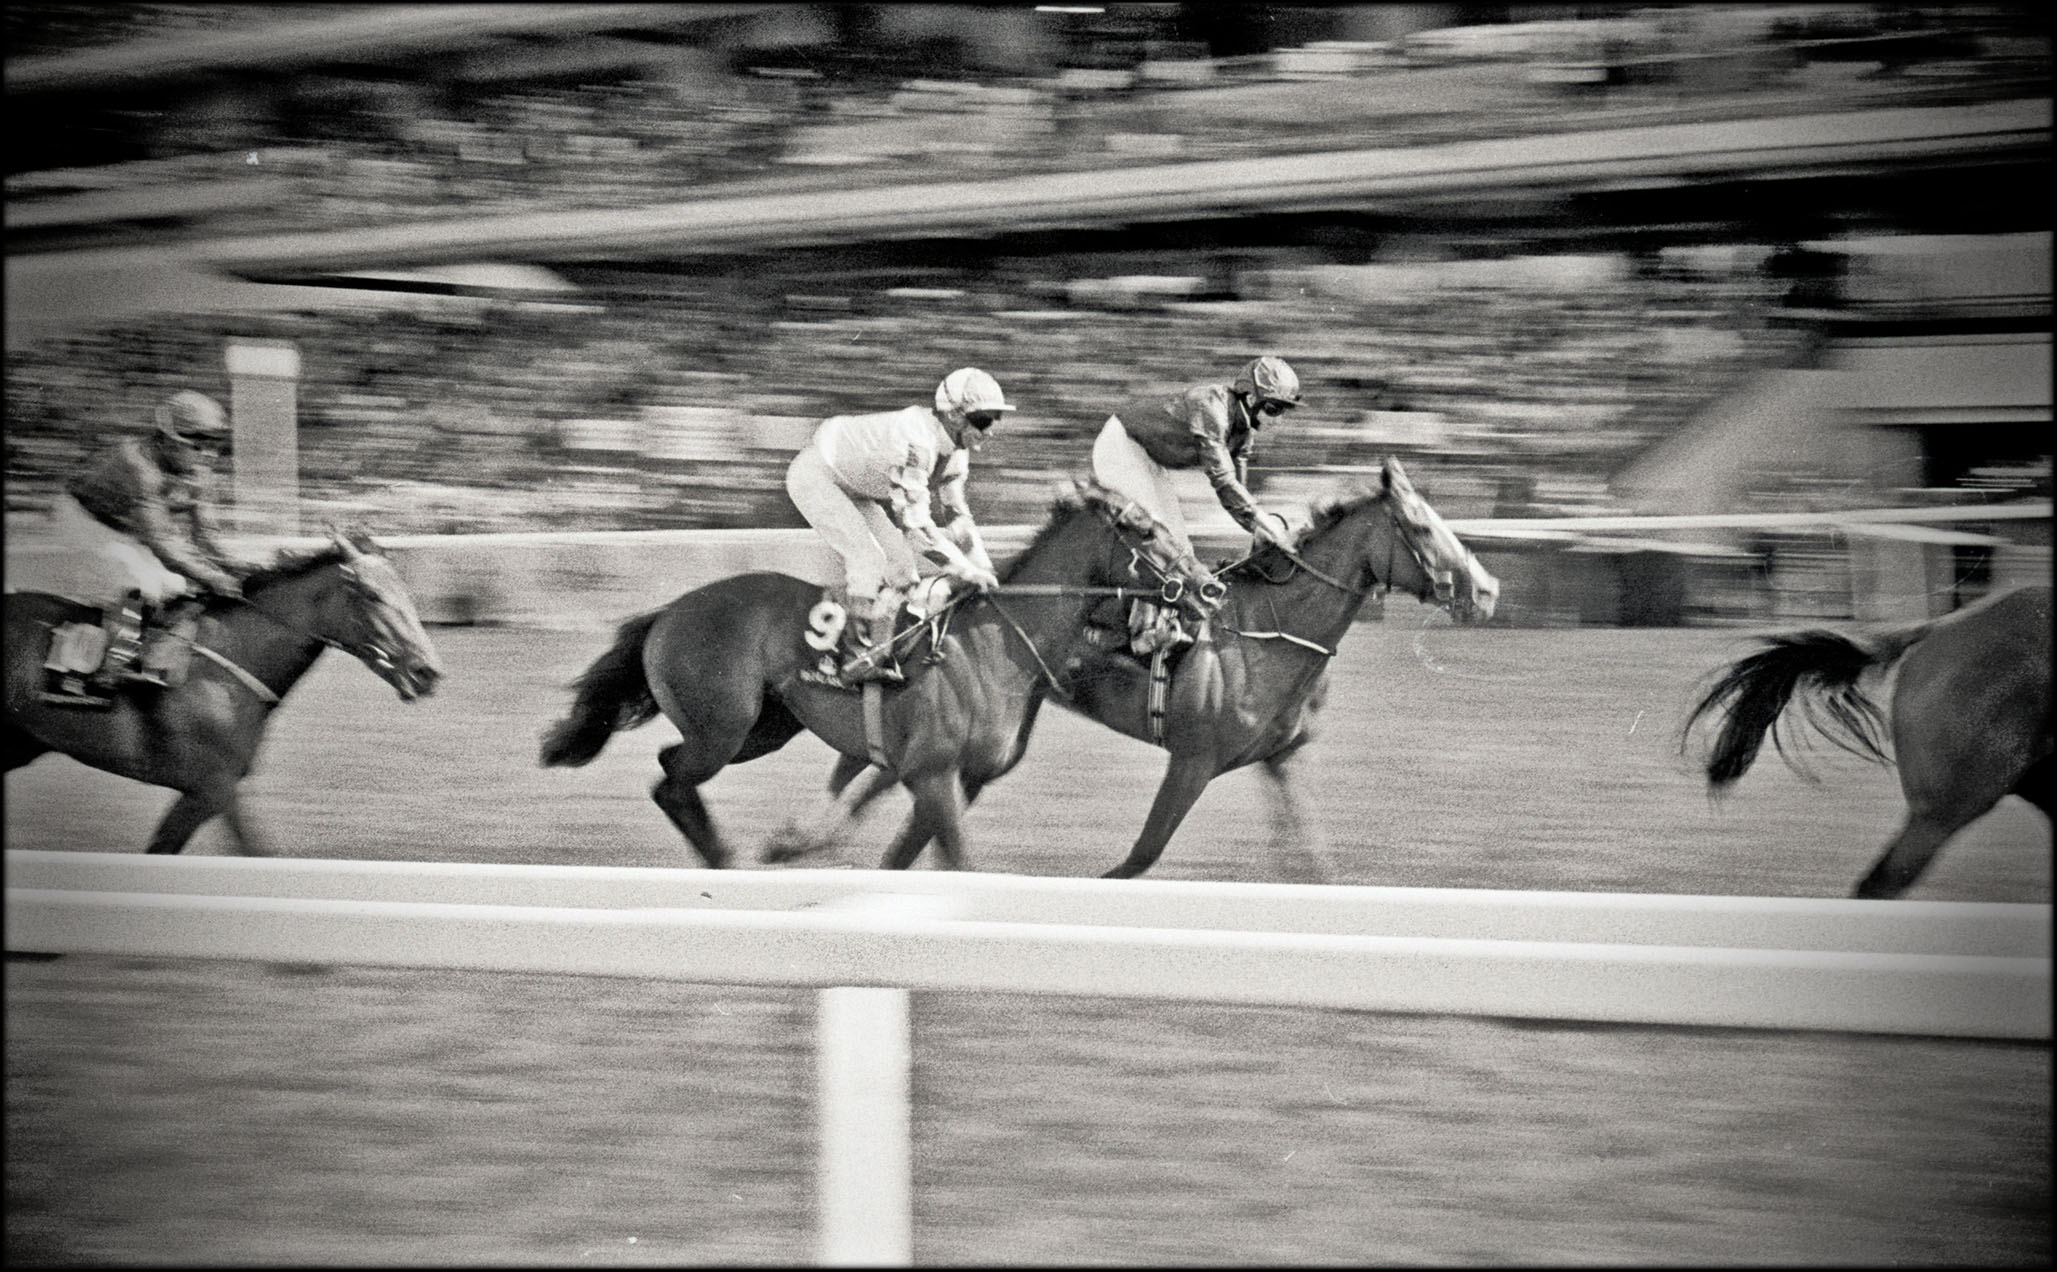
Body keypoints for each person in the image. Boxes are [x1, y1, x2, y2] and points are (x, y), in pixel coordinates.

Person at [784, 368, 1012, 683]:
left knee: (903, 568)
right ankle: (848, 660)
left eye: (995, 420)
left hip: (854, 488)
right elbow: (916, 530)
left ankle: (883, 648)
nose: (990, 430)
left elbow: (958, 518)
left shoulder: (956, 452)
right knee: (869, 559)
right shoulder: (917, 443)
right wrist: (965, 570)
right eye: (984, 420)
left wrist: (984, 565)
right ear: (956, 416)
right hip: (816, 475)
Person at [1089, 354, 1302, 654]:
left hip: (1148, 458)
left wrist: (1258, 528)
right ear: (1251, 397)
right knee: (1159, 540)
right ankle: (1136, 635)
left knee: (1181, 547)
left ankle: (1152, 627)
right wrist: (1264, 522)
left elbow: (1238, 493)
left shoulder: (1245, 432)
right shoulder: (1212, 405)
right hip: (1120, 445)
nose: (1278, 418)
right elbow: (1223, 480)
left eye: (1284, 411)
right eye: (1274, 408)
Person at [48, 389, 250, 692]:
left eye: (215, 446)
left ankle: (150, 653)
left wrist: (235, 568)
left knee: (175, 586)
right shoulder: (139, 467)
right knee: (138, 584)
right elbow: (162, 543)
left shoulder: (200, 470)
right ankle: (96, 671)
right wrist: (213, 577)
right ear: (168, 440)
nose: (208, 456)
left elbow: (206, 535)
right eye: (198, 446)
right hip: (80, 516)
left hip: (123, 523)